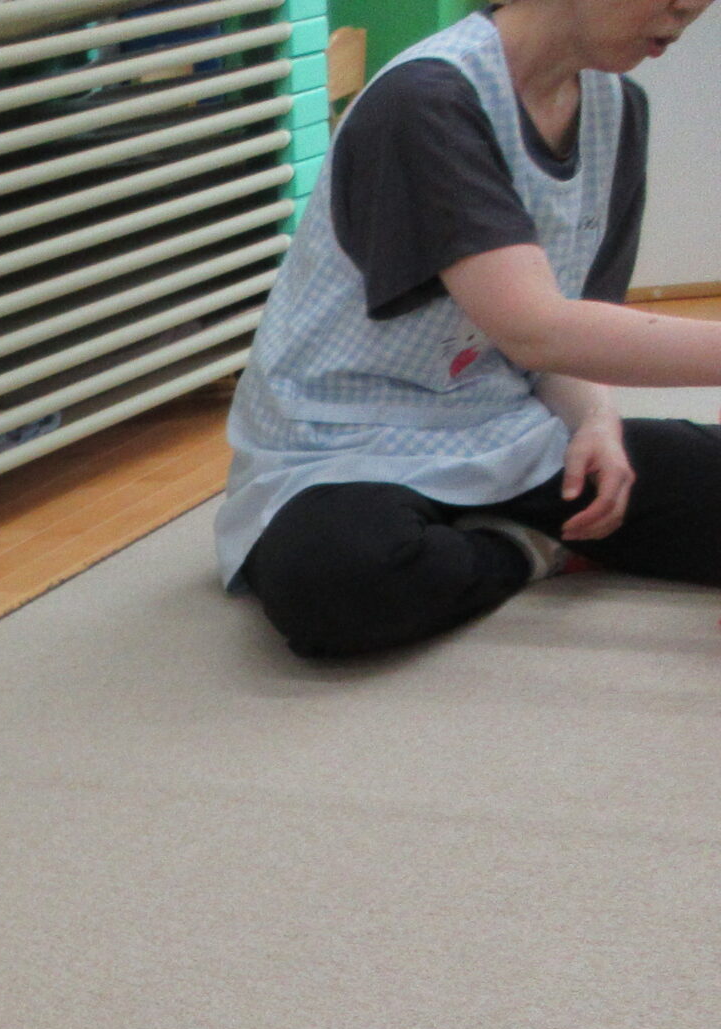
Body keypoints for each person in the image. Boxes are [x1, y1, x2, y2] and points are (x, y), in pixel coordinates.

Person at [219, 0, 721, 656]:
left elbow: (570, 325)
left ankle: (492, 533)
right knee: (338, 577)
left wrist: (596, 421)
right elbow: (534, 329)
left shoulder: (619, 109)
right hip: (346, 441)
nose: (691, 7)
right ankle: (524, 547)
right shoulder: (427, 99)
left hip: (506, 425)